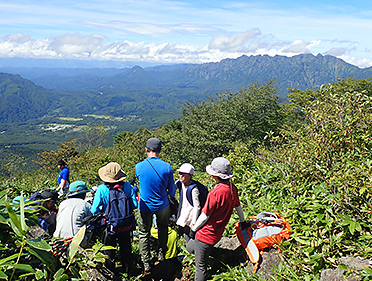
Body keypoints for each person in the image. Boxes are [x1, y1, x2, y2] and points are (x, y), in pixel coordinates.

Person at [186, 157, 246, 281]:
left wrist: (194, 230)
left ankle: (219, 255)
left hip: (205, 235)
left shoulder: (215, 193)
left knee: (201, 267)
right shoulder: (232, 188)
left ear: (215, 175)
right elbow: (238, 207)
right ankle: (222, 254)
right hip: (217, 233)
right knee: (190, 247)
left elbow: (205, 216)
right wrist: (243, 222)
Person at [135, 137, 176, 273]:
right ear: (160, 150)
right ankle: (161, 254)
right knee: (163, 228)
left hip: (145, 205)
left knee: (143, 233)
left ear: (146, 150)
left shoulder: (139, 166)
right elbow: (172, 189)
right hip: (162, 205)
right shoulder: (166, 167)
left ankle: (146, 262)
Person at [96, 162, 138, 273]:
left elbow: (94, 210)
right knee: (126, 248)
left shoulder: (102, 189)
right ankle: (128, 270)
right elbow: (134, 205)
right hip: (126, 224)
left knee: (109, 249)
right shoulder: (128, 186)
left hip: (110, 225)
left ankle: (111, 273)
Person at [176, 163, 202, 243]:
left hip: (189, 218)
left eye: (184, 174)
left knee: (189, 237)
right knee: (183, 234)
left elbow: (197, 207)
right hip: (182, 215)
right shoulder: (179, 183)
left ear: (190, 175)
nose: (181, 175)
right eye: (180, 173)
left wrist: (194, 223)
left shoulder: (194, 189)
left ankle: (191, 251)